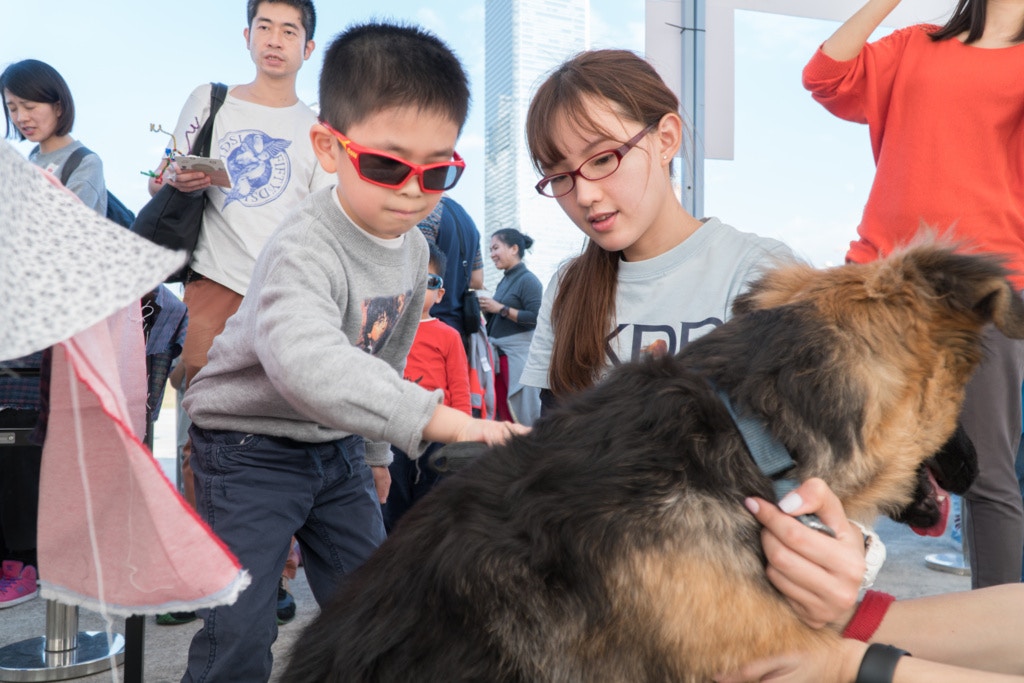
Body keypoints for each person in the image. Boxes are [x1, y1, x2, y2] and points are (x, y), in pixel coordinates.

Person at [521, 46, 1024, 682]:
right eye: (559, 176)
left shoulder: (764, 276)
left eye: (603, 159)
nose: (584, 193)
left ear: (667, 136)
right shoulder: (568, 292)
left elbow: (832, 473)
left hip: (757, 593)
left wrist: (846, 555)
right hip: (605, 600)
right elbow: (551, 458)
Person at [178, 22, 527, 682]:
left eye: (438, 170)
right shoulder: (304, 244)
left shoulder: (416, 249)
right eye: (388, 164)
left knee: (377, 607)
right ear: (329, 148)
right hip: (248, 445)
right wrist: (452, 423)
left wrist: (373, 454)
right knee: (241, 629)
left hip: (335, 448)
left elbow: (382, 360)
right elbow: (305, 362)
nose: (413, 189)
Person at [802, 0, 1024, 590]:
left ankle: (1002, 632)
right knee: (837, 455)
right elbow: (824, 77)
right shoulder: (915, 44)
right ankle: (822, 616)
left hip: (982, 292)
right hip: (877, 281)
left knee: (989, 478)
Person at [148, 0, 331, 625]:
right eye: (265, 27)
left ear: (308, 47)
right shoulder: (212, 100)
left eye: (289, 30)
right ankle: (200, 574)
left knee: (282, 430)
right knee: (202, 433)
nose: (275, 39)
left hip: (288, 292)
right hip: (215, 287)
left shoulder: (320, 128)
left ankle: (268, 575)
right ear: (247, 35)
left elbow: (322, 219)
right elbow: (159, 180)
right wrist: (177, 179)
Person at [0, 58, 110, 607]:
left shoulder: (83, 163)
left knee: (29, 445)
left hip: (55, 331)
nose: (22, 116)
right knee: (9, 443)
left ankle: (32, 560)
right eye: (12, 108)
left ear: (58, 103)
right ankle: (17, 556)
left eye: (30, 104)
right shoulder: (24, 164)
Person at [382, 243, 472, 532]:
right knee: (391, 501)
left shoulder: (449, 335)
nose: (419, 286)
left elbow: (459, 387)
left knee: (432, 502)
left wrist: (463, 434)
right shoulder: (385, 328)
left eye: (429, 281)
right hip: (392, 430)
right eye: (413, 278)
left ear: (440, 293)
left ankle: (422, 546)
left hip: (436, 432)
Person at [478, 228, 543, 424]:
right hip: (500, 358)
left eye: (496, 248)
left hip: (516, 359)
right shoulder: (506, 280)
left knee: (521, 413)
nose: (492, 254)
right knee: (503, 414)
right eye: (490, 249)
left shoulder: (528, 280)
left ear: (514, 249)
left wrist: (500, 308)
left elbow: (535, 318)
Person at [417, 195, 485, 339]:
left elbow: (419, 270)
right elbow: (477, 281)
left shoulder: (428, 215)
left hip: (427, 327)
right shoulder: (470, 223)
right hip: (459, 329)